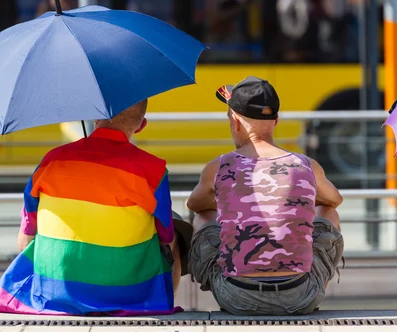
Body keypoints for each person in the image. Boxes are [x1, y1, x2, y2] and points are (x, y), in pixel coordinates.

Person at [0, 99, 193, 316]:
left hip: (53, 292)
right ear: (141, 126)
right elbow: (165, 236)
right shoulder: (153, 169)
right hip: (126, 292)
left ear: (96, 118)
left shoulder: (51, 160)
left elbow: (25, 238)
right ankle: (160, 304)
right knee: (176, 233)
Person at [187, 76, 344, 316]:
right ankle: (318, 287)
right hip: (301, 296)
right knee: (328, 214)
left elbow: (195, 205)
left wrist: (230, 197)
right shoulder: (306, 165)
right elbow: (334, 201)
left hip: (235, 297)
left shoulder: (219, 167)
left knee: (202, 218)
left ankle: (223, 280)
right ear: (276, 121)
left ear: (235, 122)